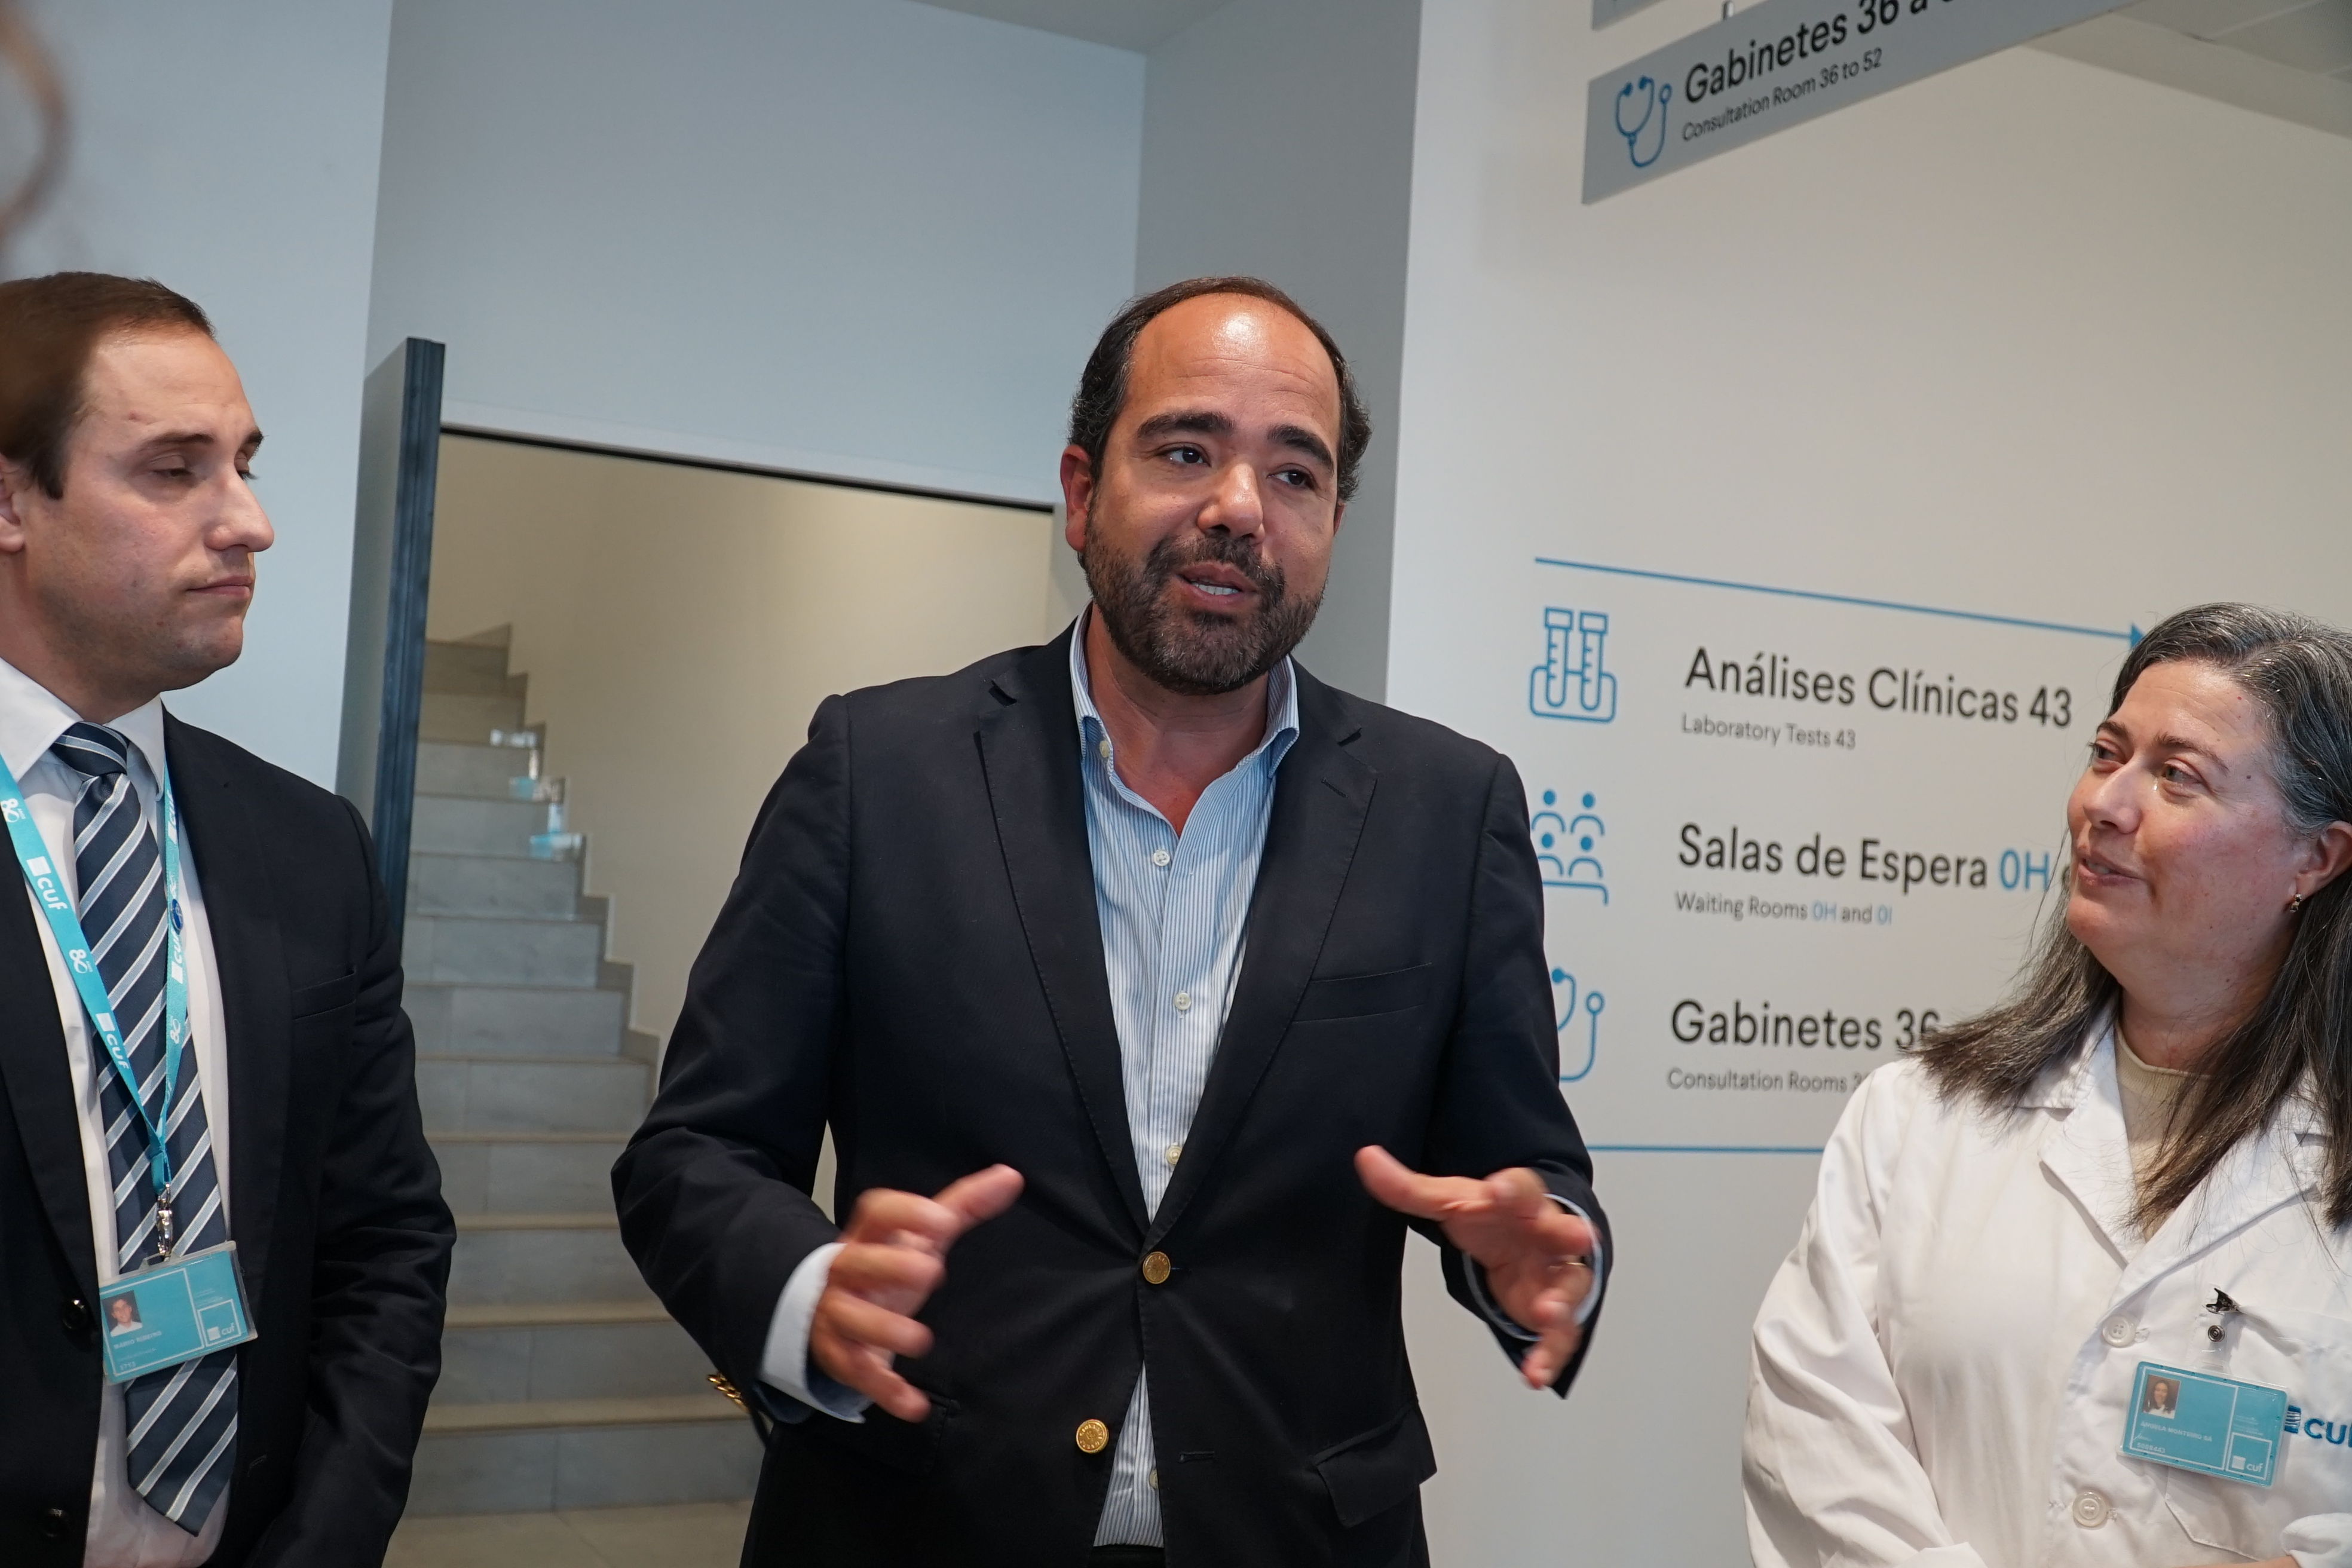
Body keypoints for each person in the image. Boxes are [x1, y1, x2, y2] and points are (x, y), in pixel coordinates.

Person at [615, 276, 1610, 1565]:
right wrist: (809, 1293)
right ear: (1082, 493)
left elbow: (1524, 1170)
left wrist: (1541, 1254)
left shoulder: (1449, 808)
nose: (1239, 508)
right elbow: (693, 1153)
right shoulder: (877, 769)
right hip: (918, 1520)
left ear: (1332, 521)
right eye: (1187, 451)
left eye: (1294, 474)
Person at [1744, 603, 2352, 1568]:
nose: (2106, 804)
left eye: (2178, 776)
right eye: (2108, 754)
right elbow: (1815, 1447)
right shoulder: (1919, 1113)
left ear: (2315, 859)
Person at [0, 273, 452, 1567]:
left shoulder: (310, 848)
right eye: (173, 470)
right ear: (11, 502)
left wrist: (327, 1537)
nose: (250, 522)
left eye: (244, 464)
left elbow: (384, 1241)